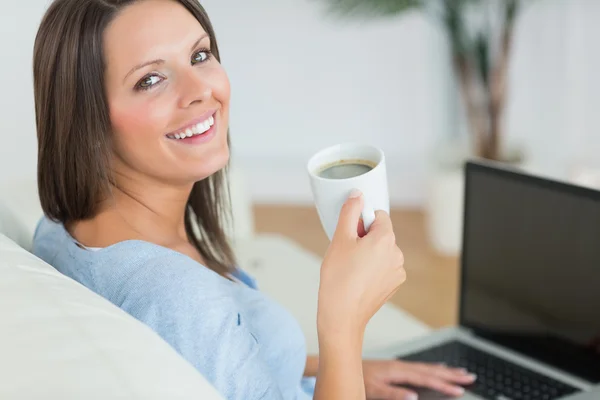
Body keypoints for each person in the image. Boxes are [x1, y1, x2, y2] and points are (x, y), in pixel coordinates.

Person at [31, 0, 476, 399]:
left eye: (199, 55)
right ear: (86, 118)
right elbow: (190, 325)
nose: (200, 90)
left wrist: (339, 371)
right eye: (150, 80)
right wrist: (343, 327)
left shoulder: (61, 229)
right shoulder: (177, 295)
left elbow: (205, 356)